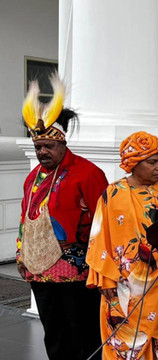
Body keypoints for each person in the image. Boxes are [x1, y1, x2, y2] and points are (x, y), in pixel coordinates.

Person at [17, 73, 107, 360]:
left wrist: (102, 268)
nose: (42, 151)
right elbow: (25, 220)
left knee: (84, 334)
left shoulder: (88, 173)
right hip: (40, 273)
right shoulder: (33, 177)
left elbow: (103, 222)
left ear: (63, 143)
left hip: (78, 274)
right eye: (38, 147)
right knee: (53, 333)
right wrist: (21, 255)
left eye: (48, 146)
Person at [85, 131, 158, 360]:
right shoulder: (113, 193)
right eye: (152, 162)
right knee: (125, 343)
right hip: (125, 285)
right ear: (134, 163)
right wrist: (105, 277)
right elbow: (99, 238)